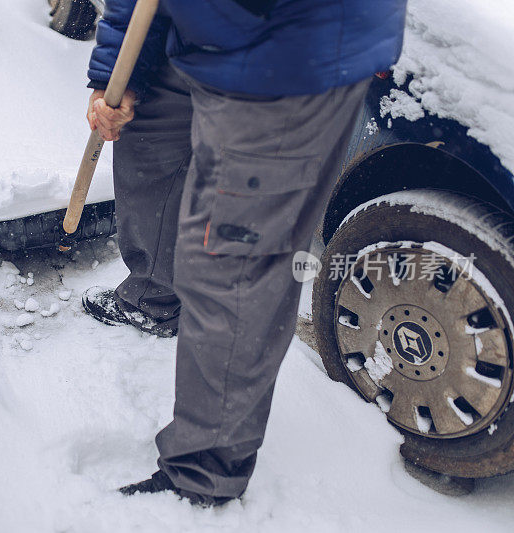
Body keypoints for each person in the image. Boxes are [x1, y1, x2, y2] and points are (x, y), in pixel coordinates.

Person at [82, 0, 408, 506]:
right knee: (147, 144)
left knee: (233, 264)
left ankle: (204, 473)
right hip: (192, 24)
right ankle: (154, 294)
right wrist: (117, 70)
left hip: (290, 47)